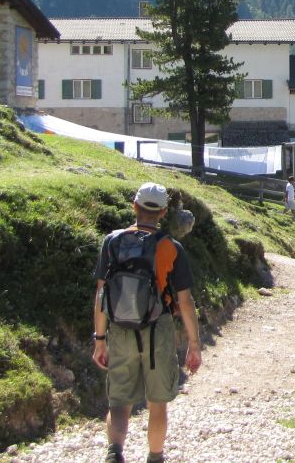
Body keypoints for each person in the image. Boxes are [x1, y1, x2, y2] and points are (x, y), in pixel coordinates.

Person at [92, 183, 202, 463]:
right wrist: (194, 344)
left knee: (119, 401)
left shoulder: (112, 242)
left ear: (134, 207)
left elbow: (102, 294)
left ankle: (114, 452)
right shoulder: (170, 247)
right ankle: (154, 457)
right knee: (157, 404)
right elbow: (185, 301)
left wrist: (100, 339)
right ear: (163, 212)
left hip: (120, 330)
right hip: (158, 330)